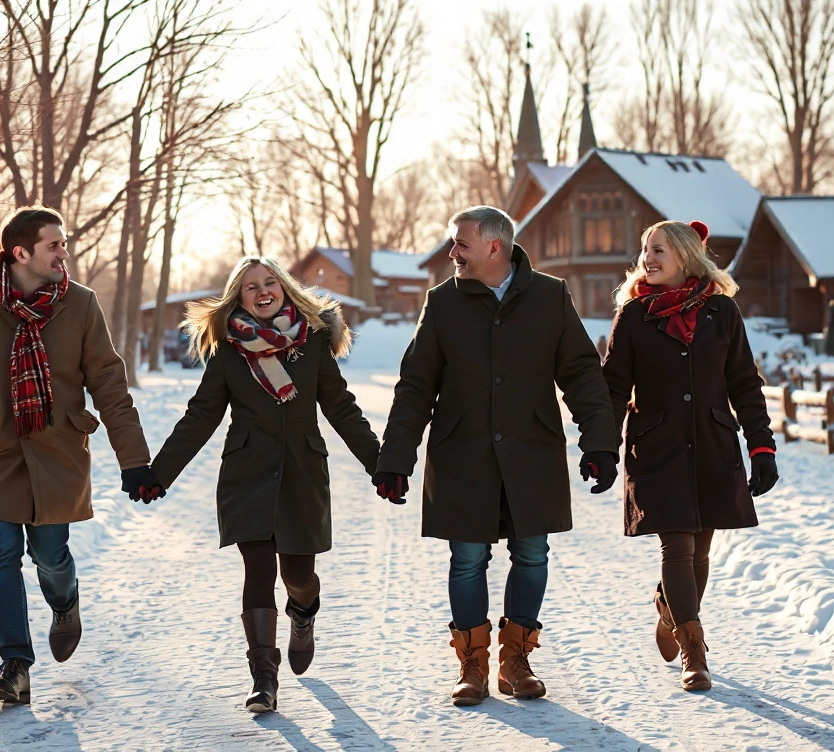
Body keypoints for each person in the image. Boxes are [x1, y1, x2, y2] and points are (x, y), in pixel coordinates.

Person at [374, 205, 620, 706]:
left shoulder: (550, 296)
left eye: (460, 243)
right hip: (463, 453)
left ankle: (516, 660)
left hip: (532, 451)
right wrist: (396, 458)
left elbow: (581, 374)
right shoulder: (442, 302)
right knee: (468, 559)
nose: (452, 252)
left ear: (494, 247)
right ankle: (473, 663)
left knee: (532, 553)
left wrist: (599, 442)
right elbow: (416, 386)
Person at [0, 206, 163, 705]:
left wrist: (134, 461)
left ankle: (65, 603)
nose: (63, 253)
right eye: (54, 245)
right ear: (21, 252)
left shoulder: (80, 303)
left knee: (50, 555)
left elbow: (109, 384)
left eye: (63, 244)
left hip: (58, 454)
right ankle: (15, 666)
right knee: (1, 554)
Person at [150, 257, 379, 714]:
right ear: (239, 297)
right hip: (246, 474)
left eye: (269, 282)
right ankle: (263, 678)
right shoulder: (229, 349)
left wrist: (382, 465)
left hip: (301, 474)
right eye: (250, 286)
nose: (262, 291)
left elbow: (340, 406)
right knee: (257, 570)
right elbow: (201, 415)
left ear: (285, 288)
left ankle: (304, 613)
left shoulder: (312, 341)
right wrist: (160, 473)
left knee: (298, 577)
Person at [600, 219, 779, 692]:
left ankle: (671, 609)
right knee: (677, 546)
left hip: (713, 444)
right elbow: (613, 389)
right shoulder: (633, 317)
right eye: (645, 250)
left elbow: (744, 382)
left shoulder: (722, 311)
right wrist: (601, 447)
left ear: (684, 255)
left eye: (658, 249)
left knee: (700, 550)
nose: (648, 258)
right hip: (656, 448)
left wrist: (762, 446)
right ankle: (694, 652)